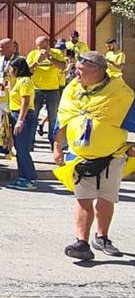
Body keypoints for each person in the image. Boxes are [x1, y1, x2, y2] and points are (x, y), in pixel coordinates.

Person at [55, 51, 135, 260]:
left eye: (80, 70)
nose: (75, 74)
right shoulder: (72, 89)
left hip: (113, 154)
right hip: (80, 155)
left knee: (107, 198)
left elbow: (131, 121)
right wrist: (57, 146)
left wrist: (132, 146)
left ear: (97, 70)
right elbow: (62, 118)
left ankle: (102, 237)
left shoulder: (120, 93)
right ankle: (81, 243)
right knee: (83, 198)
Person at [5, 57, 38, 191]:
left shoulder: (24, 81)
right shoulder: (18, 81)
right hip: (16, 114)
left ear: (17, 69)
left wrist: (20, 120)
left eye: (11, 68)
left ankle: (30, 179)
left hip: (24, 116)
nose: (9, 71)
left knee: (23, 149)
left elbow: (25, 102)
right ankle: (22, 177)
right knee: (19, 149)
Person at [26, 35, 66, 147]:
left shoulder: (56, 53)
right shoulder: (32, 54)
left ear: (48, 44)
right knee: (33, 117)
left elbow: (63, 66)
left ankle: (53, 143)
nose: (40, 49)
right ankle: (30, 142)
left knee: (53, 117)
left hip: (53, 90)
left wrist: (50, 58)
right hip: (36, 89)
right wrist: (37, 62)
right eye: (38, 47)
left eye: (42, 46)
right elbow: (27, 70)